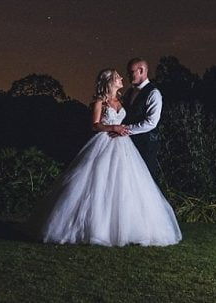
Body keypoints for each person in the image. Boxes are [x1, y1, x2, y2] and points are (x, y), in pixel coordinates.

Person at [30, 68, 181, 246]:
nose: (122, 79)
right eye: (118, 77)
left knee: (125, 185)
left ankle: (128, 228)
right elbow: (95, 125)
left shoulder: (122, 100)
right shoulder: (100, 101)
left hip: (123, 145)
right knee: (98, 182)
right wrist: (113, 128)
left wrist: (122, 128)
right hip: (105, 142)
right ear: (109, 81)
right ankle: (93, 228)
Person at [123, 57, 162, 179]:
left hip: (146, 145)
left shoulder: (153, 93)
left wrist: (125, 129)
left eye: (131, 72)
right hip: (128, 144)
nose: (128, 75)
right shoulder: (129, 92)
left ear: (141, 70)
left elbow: (151, 122)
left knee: (145, 179)